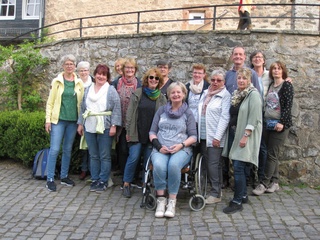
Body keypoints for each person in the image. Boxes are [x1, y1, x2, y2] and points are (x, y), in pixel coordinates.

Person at [149, 81, 197, 218]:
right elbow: (152, 132)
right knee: (158, 165)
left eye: (178, 92)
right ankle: (161, 200)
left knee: (174, 165)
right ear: (168, 95)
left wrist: (181, 145)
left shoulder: (188, 113)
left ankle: (172, 201)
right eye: (173, 92)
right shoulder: (161, 111)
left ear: (183, 94)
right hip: (161, 147)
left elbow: (194, 136)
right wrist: (159, 146)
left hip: (181, 148)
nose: (176, 94)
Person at [222, 68, 262, 214]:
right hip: (236, 133)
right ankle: (244, 195)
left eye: (244, 78)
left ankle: (237, 201)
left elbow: (255, 118)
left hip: (246, 136)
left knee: (238, 166)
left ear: (249, 80)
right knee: (242, 166)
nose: (241, 81)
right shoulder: (238, 94)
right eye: (239, 78)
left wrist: (245, 136)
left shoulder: (254, 95)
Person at [122, 67, 167, 198]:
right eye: (151, 77)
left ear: (159, 81)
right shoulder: (138, 93)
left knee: (148, 160)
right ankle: (126, 183)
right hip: (137, 131)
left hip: (152, 134)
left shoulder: (162, 97)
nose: (153, 80)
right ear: (147, 79)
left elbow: (164, 118)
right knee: (133, 158)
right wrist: (128, 130)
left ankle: (144, 184)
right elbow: (130, 113)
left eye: (156, 78)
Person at [77, 64, 121, 192]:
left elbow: (116, 108)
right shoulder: (88, 89)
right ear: (95, 74)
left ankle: (104, 180)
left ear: (107, 77)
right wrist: (80, 123)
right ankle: (95, 178)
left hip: (105, 126)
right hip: (89, 125)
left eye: (104, 74)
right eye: (99, 74)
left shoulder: (110, 90)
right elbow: (83, 108)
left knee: (105, 155)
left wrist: (114, 126)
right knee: (93, 154)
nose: (101, 76)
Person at [252, 61, 294, 196]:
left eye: (279, 68)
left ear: (283, 71)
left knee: (271, 154)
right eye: (274, 69)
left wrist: (282, 122)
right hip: (268, 123)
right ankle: (275, 182)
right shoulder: (271, 85)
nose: (276, 71)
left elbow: (288, 106)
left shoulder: (286, 85)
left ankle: (264, 183)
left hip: (280, 124)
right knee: (272, 153)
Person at [45, 54, 84, 192]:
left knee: (67, 149)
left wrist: (81, 122)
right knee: (55, 149)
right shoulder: (57, 81)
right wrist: (48, 120)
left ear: (75, 66)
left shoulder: (79, 83)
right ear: (63, 66)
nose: (69, 66)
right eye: (67, 64)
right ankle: (49, 178)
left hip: (73, 121)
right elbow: (50, 102)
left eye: (71, 64)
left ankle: (64, 176)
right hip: (58, 121)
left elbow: (81, 103)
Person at [197, 69, 231, 205]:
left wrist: (217, 137)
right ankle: (216, 190)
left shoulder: (225, 95)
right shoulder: (206, 93)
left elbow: (225, 117)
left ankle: (215, 193)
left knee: (213, 164)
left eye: (219, 80)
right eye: (213, 80)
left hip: (215, 136)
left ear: (223, 82)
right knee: (211, 165)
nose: (215, 82)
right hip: (203, 134)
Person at [112, 58, 142, 178]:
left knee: (134, 151)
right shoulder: (116, 83)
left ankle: (134, 175)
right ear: (123, 69)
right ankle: (125, 177)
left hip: (135, 123)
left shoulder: (140, 84)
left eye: (132, 68)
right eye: (127, 68)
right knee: (122, 150)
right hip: (121, 122)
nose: (129, 70)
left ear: (135, 70)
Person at [77, 61, 93, 180]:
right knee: (82, 146)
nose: (84, 72)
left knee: (91, 146)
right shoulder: (75, 83)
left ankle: (92, 169)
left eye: (85, 70)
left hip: (91, 117)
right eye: (81, 70)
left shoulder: (93, 83)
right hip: (78, 115)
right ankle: (84, 168)